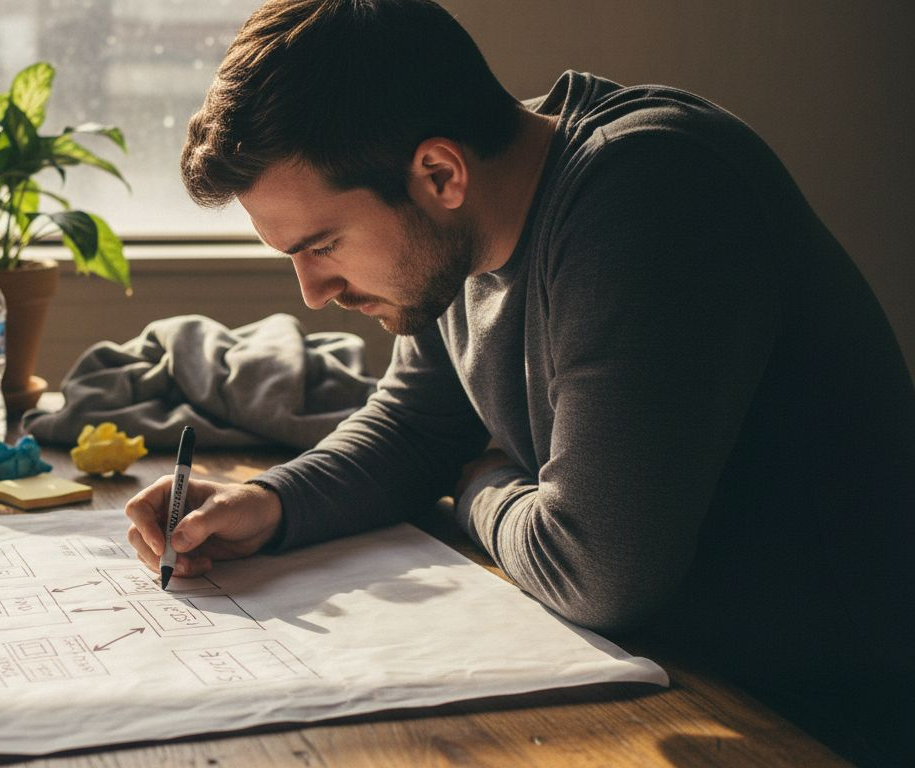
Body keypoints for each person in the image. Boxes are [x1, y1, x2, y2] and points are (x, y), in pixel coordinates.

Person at [123, 1, 915, 763]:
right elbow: (415, 426)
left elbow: (594, 571)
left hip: (825, 715)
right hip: (670, 673)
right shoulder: (460, 230)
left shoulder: (653, 192)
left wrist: (477, 484)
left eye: (322, 244)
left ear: (439, 173)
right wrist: (271, 503)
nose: (312, 292)